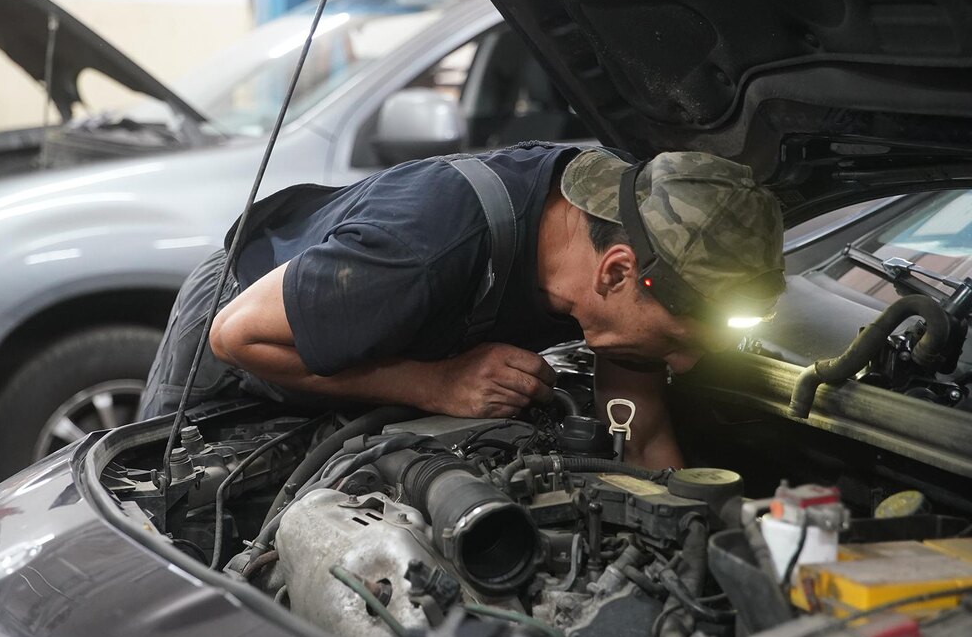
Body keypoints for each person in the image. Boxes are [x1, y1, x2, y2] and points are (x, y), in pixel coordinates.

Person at [138, 143, 784, 469]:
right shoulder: (423, 246)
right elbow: (237, 336)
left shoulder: (630, 227)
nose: (685, 362)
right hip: (252, 316)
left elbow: (638, 432)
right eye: (677, 340)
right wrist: (437, 383)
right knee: (177, 510)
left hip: (377, 331)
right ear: (617, 272)